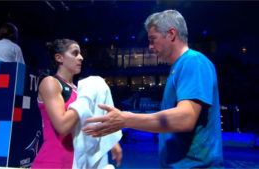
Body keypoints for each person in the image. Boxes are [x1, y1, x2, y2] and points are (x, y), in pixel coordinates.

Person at [83, 10, 224, 168]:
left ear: (171, 34)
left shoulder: (193, 62)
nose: (150, 47)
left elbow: (186, 117)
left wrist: (126, 120)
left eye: (153, 40)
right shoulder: (178, 68)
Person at [31, 39, 122, 168]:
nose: (81, 58)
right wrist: (87, 98)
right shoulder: (50, 83)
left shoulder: (79, 90)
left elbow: (89, 121)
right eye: (75, 53)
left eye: (80, 54)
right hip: (52, 162)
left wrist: (111, 141)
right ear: (59, 58)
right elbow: (62, 126)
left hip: (76, 163)